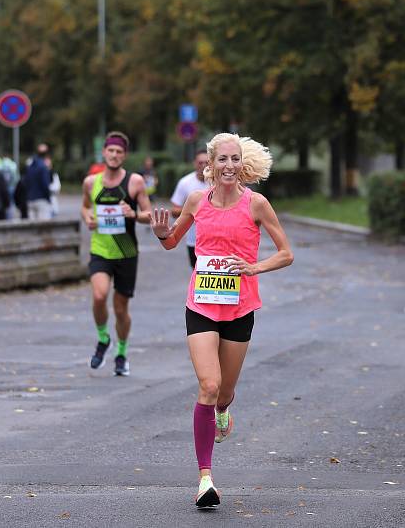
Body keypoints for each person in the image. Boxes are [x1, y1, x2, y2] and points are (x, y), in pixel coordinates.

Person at [150, 133, 293, 508]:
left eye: (235, 159)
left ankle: (225, 409)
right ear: (209, 165)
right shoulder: (197, 200)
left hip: (240, 307)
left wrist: (254, 267)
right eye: (222, 160)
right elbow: (171, 241)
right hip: (200, 303)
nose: (228, 166)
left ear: (241, 164)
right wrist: (162, 233)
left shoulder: (257, 204)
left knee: (224, 393)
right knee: (208, 385)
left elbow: (286, 254)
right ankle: (205, 478)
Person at [82, 131, 152, 377]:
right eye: (110, 150)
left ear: (125, 155)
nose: (114, 155)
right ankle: (103, 339)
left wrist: (132, 214)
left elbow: (149, 214)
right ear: (104, 152)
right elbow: (85, 207)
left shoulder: (135, 182)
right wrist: (88, 218)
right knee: (99, 295)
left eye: (119, 151)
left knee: (121, 308)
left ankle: (121, 351)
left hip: (126, 252)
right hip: (100, 249)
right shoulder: (91, 182)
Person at [170, 149, 209, 268]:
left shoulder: (218, 182)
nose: (203, 166)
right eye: (200, 162)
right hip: (194, 239)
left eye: (206, 163)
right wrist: (193, 210)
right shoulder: (185, 183)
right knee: (198, 275)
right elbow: (174, 211)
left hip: (216, 238)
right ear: (194, 163)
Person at [24, 143, 53, 220]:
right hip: (41, 200)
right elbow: (45, 184)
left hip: (30, 200)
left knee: (32, 229)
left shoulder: (30, 166)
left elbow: (25, 182)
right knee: (44, 229)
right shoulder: (43, 167)